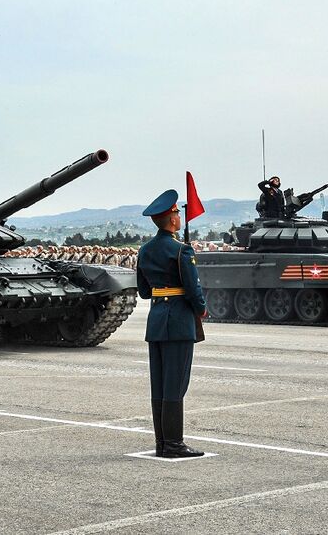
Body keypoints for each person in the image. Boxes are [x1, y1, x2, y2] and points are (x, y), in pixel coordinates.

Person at [137, 189, 206, 459]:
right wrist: (200, 308)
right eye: (177, 212)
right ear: (172, 220)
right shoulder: (182, 250)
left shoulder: (145, 250)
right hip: (179, 321)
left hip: (156, 321)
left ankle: (162, 442)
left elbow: (144, 291)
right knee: (176, 384)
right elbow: (192, 289)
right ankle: (174, 445)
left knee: (161, 384)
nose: (179, 216)